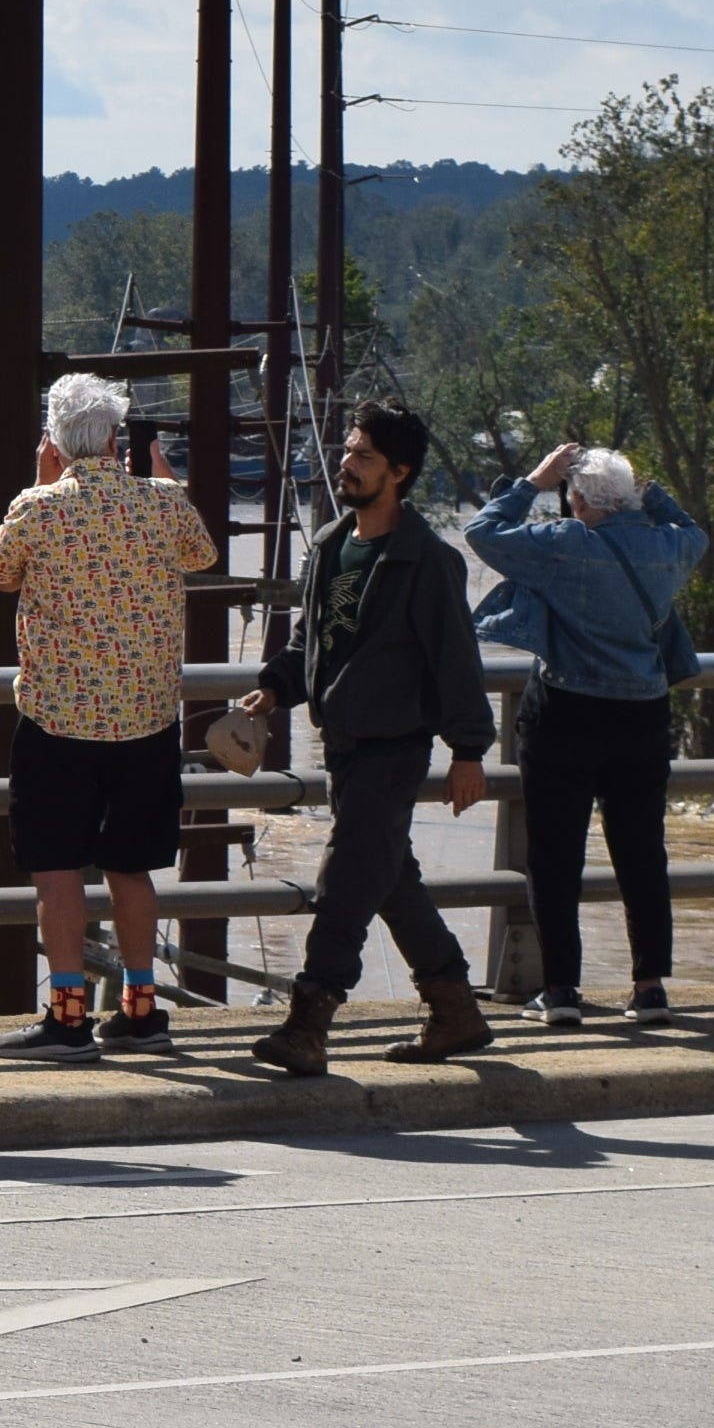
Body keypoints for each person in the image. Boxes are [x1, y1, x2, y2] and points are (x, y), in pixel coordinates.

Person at [233, 403, 497, 1078]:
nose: (348, 465)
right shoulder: (328, 545)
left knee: (346, 880)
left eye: (365, 457)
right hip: (344, 745)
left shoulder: (428, 562)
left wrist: (469, 752)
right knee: (390, 880)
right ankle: (456, 1010)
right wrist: (276, 687)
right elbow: (312, 641)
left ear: (400, 473)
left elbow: (456, 660)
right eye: (349, 452)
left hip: (396, 744)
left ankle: (308, 1022)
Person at [0, 371, 218, 1057]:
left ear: (53, 439)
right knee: (132, 868)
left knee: (56, 872)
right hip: (147, 722)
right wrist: (161, 472)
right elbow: (202, 555)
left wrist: (43, 480)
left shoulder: (38, 508)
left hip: (57, 721)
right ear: (117, 438)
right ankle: (141, 1011)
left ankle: (68, 1016)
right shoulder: (166, 504)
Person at [472, 442, 707, 1022]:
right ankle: (649, 988)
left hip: (566, 713)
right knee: (642, 855)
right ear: (628, 497)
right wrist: (650, 493)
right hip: (642, 715)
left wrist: (534, 478)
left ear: (576, 499)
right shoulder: (667, 546)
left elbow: (484, 532)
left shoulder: (565, 545)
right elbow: (693, 529)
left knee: (555, 856)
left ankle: (560, 992)